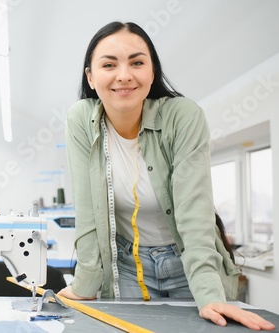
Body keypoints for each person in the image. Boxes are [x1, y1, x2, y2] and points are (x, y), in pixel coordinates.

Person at [58, 21, 275, 331]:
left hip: (186, 261)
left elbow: (194, 212)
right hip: (125, 266)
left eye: (137, 62)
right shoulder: (80, 119)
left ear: (152, 73)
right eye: (109, 64)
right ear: (90, 77)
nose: (124, 75)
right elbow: (87, 211)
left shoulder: (183, 116)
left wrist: (209, 294)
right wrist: (85, 284)